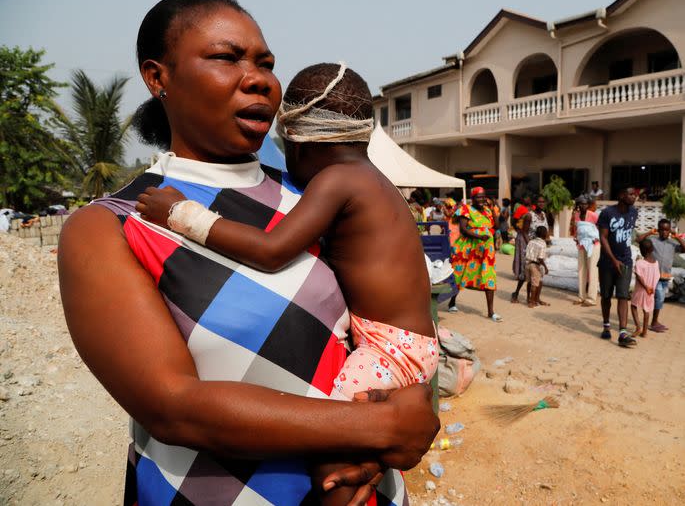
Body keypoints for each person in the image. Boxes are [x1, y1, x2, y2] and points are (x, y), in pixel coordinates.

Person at [57, 0, 438, 506]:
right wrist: (378, 427)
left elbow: (394, 319)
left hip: (360, 486)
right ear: (157, 76)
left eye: (266, 63)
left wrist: (389, 436)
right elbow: (174, 407)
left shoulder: (312, 195)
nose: (258, 77)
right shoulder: (113, 224)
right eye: (226, 57)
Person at [137, 62, 440, 503]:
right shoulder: (374, 180)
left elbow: (271, 250)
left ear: (302, 142)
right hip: (410, 342)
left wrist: (181, 214)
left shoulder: (336, 180)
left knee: (335, 454)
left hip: (389, 348)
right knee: (359, 443)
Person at [597, 186, 643, 347]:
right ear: (621, 195)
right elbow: (603, 238)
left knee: (623, 295)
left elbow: (629, 235)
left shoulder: (633, 213)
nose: (634, 197)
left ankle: (623, 333)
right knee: (606, 296)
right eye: (631, 194)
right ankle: (606, 325)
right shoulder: (607, 213)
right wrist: (613, 259)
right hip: (607, 262)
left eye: (635, 194)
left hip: (626, 261)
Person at [448, 186, 502, 321]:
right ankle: (452, 302)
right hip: (468, 248)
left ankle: (491, 312)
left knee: (489, 276)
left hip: (486, 250)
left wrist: (494, 209)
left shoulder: (488, 210)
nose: (481, 199)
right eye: (478, 197)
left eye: (483, 196)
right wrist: (479, 237)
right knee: (459, 275)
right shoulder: (465, 209)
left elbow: (496, 226)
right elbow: (464, 229)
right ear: (472, 198)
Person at [642, 219, 685, 331]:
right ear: (658, 230)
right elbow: (638, 239)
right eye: (661, 230)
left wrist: (677, 237)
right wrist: (650, 232)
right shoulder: (653, 241)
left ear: (670, 231)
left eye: (666, 230)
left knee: (660, 299)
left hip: (665, 276)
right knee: (659, 297)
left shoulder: (672, 243)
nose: (664, 232)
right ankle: (653, 322)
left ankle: (654, 320)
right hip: (654, 276)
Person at [570, 195, 599, 307]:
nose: (583, 205)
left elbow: (600, 227)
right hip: (581, 244)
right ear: (578, 205)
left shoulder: (592, 215)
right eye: (581, 203)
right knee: (581, 269)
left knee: (592, 269)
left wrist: (597, 238)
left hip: (593, 244)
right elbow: (577, 229)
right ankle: (581, 296)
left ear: (588, 205)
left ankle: (591, 298)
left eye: (585, 203)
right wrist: (576, 237)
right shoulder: (576, 215)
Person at [630, 238, 660, 338]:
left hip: (641, 290)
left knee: (633, 306)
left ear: (642, 251)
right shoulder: (656, 263)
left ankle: (638, 327)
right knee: (646, 310)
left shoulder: (640, 263)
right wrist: (651, 288)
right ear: (652, 249)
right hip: (650, 290)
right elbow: (657, 277)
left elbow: (639, 276)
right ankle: (645, 331)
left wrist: (645, 287)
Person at [525, 225, 550, 307]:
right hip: (535, 265)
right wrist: (545, 267)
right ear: (544, 234)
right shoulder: (543, 244)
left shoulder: (531, 241)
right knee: (535, 284)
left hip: (527, 264)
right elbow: (540, 258)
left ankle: (529, 298)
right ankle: (532, 302)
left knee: (529, 282)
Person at [511, 213, 532, 303]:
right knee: (526, 270)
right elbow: (524, 231)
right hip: (526, 242)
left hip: (528, 241)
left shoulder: (540, 215)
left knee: (528, 272)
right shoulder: (529, 215)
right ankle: (524, 297)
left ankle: (525, 296)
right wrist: (530, 244)